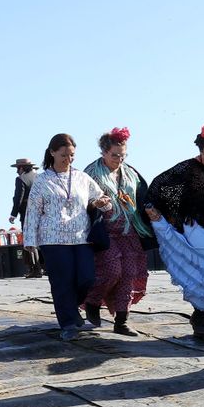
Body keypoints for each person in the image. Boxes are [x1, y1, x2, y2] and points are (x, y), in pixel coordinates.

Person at [146, 122, 204, 343]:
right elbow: (159, 185)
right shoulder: (186, 169)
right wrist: (160, 211)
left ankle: (203, 318)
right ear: (200, 150)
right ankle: (200, 319)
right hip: (196, 226)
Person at [24, 133, 113, 340]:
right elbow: (33, 212)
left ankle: (72, 307)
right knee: (62, 282)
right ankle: (68, 324)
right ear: (52, 153)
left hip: (81, 237)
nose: (68, 159)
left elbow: (103, 201)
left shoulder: (82, 178)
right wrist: (30, 240)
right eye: (64, 155)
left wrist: (102, 203)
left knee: (87, 278)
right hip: (53, 239)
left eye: (72, 155)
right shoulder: (42, 181)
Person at [82, 127, 151, 335]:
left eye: (123, 156)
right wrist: (96, 203)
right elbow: (81, 203)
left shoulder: (130, 173)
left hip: (128, 230)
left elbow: (142, 196)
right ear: (104, 152)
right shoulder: (91, 174)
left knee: (129, 273)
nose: (119, 160)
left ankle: (122, 321)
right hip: (104, 232)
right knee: (112, 271)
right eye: (115, 155)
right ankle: (92, 301)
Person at [9, 158, 42, 278]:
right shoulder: (39, 177)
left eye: (18, 168)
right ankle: (43, 267)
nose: (17, 171)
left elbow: (19, 197)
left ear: (21, 168)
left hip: (27, 213)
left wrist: (13, 214)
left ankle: (35, 268)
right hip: (42, 212)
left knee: (29, 240)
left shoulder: (21, 179)